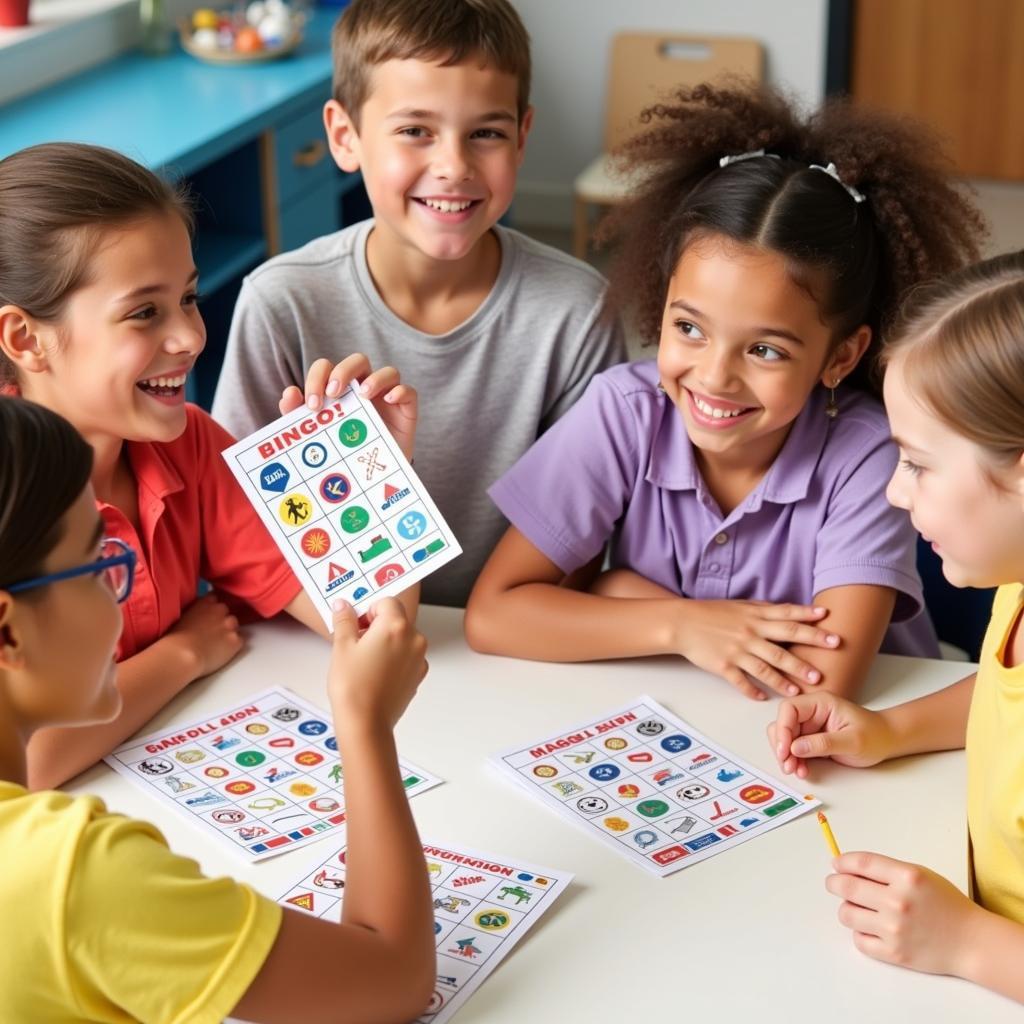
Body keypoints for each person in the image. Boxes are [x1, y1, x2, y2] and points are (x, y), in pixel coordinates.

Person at [466, 82, 985, 699]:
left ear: (841, 356)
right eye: (689, 328)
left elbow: (825, 683)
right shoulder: (623, 411)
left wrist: (616, 594)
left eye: (765, 349)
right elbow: (494, 616)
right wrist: (681, 623)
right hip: (682, 720)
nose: (714, 377)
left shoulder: (869, 453)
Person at [0, 396, 435, 1023]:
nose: (119, 590)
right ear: (8, 634)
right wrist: (365, 726)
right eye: (100, 566)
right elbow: (393, 982)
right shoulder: (76, 878)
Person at [0, 142, 418, 788]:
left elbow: (373, 633)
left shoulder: (189, 445)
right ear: (26, 340)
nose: (191, 337)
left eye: (189, 298)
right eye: (144, 312)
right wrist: (183, 654)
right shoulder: (11, 493)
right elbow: (28, 760)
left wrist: (369, 478)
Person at [211, 0, 627, 607]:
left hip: (506, 638)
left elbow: (582, 540)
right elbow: (236, 527)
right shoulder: (282, 303)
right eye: (415, 131)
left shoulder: (578, 311)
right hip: (327, 632)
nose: (454, 166)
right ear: (344, 136)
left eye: (486, 132)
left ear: (522, 137)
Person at [768, 251, 1024, 1003]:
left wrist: (973, 944)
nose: (893, 489)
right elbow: (1004, 698)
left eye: (917, 463)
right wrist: (889, 730)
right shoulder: (1016, 584)